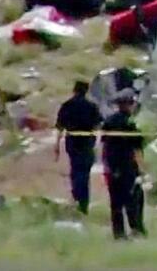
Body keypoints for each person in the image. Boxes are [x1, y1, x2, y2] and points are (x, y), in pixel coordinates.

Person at [101, 89, 146, 239]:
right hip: (128, 168)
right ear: (128, 105)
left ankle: (119, 234)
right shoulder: (131, 124)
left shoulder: (108, 122)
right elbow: (137, 149)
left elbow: (104, 147)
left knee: (116, 204)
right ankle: (136, 229)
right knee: (133, 201)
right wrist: (142, 170)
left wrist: (106, 166)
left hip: (112, 168)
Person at [55, 80, 101, 214]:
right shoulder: (92, 106)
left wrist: (57, 146)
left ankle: (76, 198)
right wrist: (96, 144)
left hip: (72, 142)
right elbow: (97, 126)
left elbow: (59, 128)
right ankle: (83, 203)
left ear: (74, 90)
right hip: (87, 142)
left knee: (75, 170)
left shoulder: (67, 106)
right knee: (84, 173)